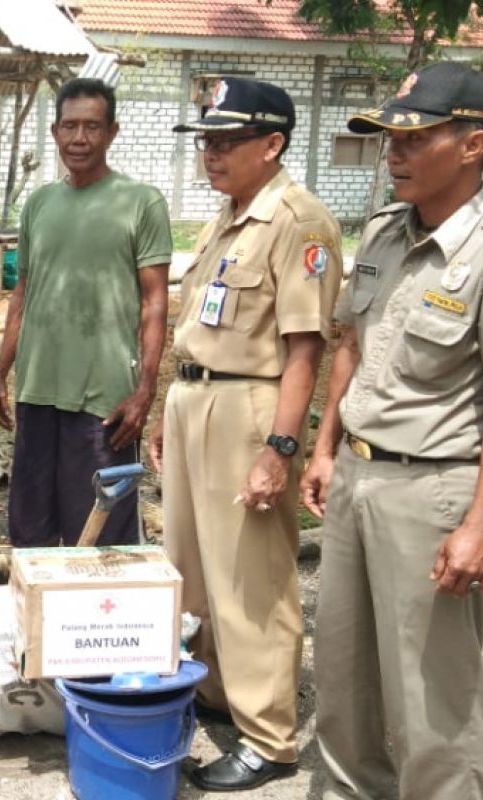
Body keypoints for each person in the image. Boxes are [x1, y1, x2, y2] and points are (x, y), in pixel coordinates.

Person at [148, 77, 343, 791]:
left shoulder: (300, 220)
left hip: (250, 412)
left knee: (252, 577)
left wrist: (281, 448)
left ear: (274, 144)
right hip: (198, 401)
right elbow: (202, 329)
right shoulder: (229, 217)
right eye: (207, 140)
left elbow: (304, 348)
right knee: (194, 567)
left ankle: (270, 735)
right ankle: (218, 694)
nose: (211, 153)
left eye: (227, 142)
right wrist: (174, 411)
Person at [300, 61, 483, 800]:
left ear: (473, 144)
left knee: (429, 695)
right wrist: (323, 448)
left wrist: (477, 522)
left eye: (414, 138)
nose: (392, 154)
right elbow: (350, 342)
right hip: (356, 478)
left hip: (433, 488)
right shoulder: (383, 231)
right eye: (386, 139)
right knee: (342, 673)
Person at [0, 78, 170, 547]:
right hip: (37, 393)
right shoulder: (40, 203)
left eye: (92, 126)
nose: (79, 138)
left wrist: (145, 390)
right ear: (54, 131)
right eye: (69, 126)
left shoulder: (141, 202)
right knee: (30, 531)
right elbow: (23, 293)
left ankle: (101, 621)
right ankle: (36, 619)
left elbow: (154, 301)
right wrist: (1, 371)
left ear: (113, 131)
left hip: (103, 405)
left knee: (101, 535)